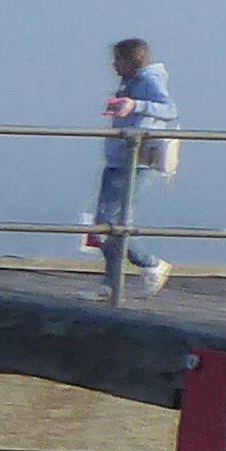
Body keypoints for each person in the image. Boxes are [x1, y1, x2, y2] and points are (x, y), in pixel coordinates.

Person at [89, 36, 177, 296]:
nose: (114, 65)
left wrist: (135, 105)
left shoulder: (149, 80)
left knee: (110, 223)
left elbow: (169, 110)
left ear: (131, 60)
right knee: (106, 225)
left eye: (117, 59)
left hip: (134, 162)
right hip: (118, 159)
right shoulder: (129, 82)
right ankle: (110, 283)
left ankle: (151, 263)